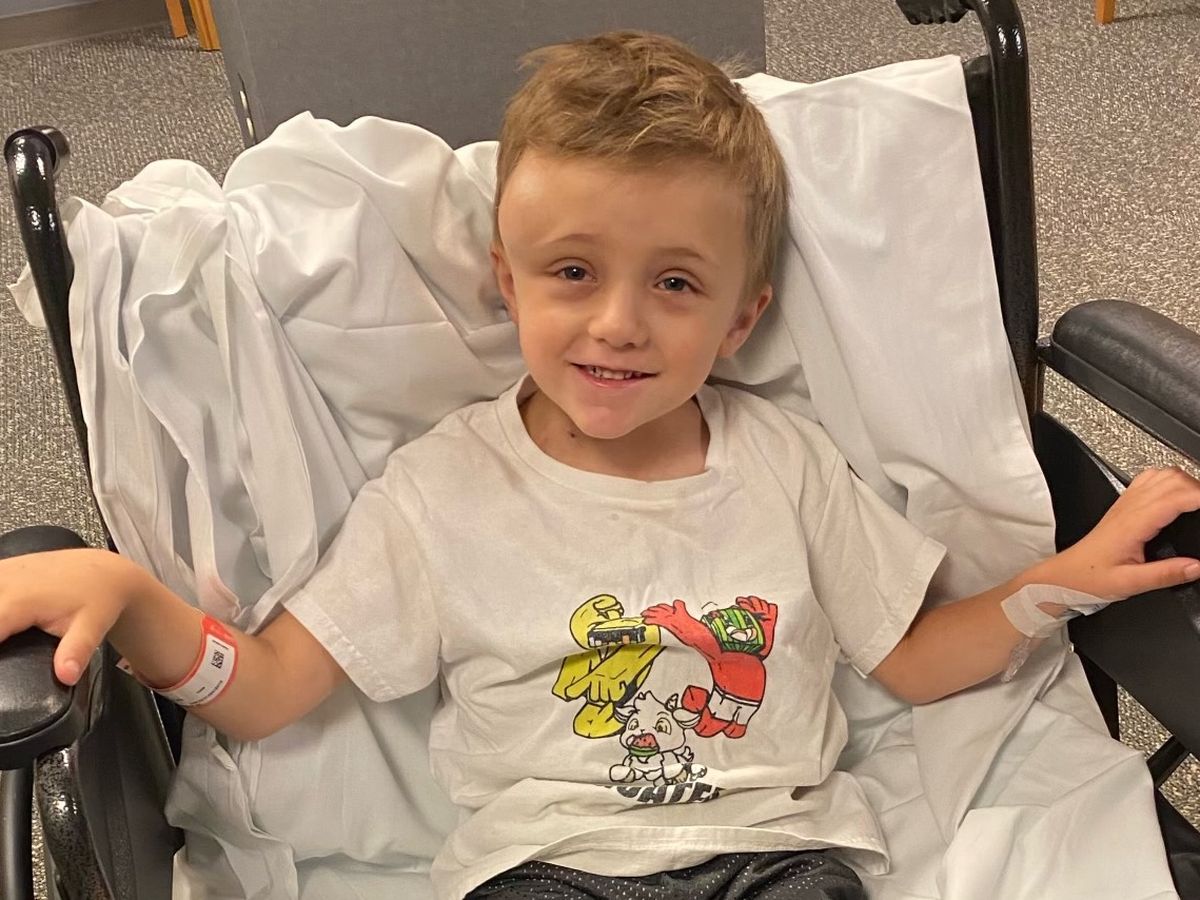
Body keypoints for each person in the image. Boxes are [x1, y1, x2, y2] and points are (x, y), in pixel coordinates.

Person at [2, 30, 1199, 900]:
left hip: (781, 856)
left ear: (740, 318)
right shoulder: (441, 490)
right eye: (572, 272)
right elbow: (265, 691)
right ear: (506, 282)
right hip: (543, 865)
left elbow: (916, 657)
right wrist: (127, 594)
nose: (619, 323)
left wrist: (1064, 581)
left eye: (675, 283)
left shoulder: (784, 461)